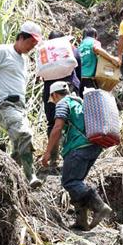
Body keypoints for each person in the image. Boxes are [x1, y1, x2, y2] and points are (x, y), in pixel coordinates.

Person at [0, 21, 43, 188]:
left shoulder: (24, 60)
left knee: (18, 146)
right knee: (25, 134)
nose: (32, 47)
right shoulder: (3, 51)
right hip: (5, 105)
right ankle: (30, 176)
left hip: (19, 107)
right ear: (21, 37)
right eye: (31, 43)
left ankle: (7, 172)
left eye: (35, 45)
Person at [41, 81, 112, 230]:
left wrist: (48, 152)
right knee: (77, 182)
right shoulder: (78, 101)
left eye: (52, 99)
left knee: (70, 181)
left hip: (78, 147)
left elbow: (58, 127)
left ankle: (99, 206)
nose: (53, 102)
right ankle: (81, 221)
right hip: (94, 146)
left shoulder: (62, 103)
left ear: (54, 95)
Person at [42, 31, 82, 166]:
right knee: (73, 122)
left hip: (51, 92)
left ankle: (53, 159)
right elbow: (79, 70)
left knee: (52, 123)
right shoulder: (71, 49)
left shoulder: (45, 51)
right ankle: (72, 156)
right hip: (69, 88)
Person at [78, 27, 120, 97]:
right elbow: (97, 49)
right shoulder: (93, 41)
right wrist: (112, 58)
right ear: (95, 36)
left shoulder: (80, 46)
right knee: (93, 101)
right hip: (89, 77)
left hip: (80, 79)